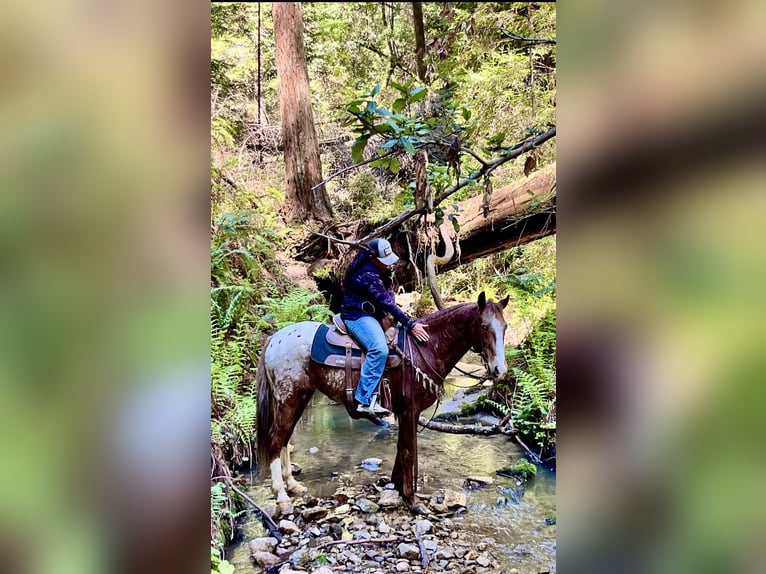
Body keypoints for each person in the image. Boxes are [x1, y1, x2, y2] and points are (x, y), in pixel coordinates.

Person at [340, 238, 430, 416]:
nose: (387, 265)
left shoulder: (380, 271)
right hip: (358, 316)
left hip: (374, 315)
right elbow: (387, 303)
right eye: (384, 261)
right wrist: (410, 324)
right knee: (379, 349)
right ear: (372, 258)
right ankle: (364, 400)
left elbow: (388, 299)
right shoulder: (367, 274)